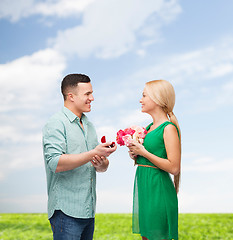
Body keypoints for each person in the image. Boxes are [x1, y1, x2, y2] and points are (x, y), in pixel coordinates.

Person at [42, 73, 117, 240]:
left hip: (88, 210)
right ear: (71, 97)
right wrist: (93, 153)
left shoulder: (89, 125)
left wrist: (102, 161)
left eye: (91, 93)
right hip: (65, 212)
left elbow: (101, 167)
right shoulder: (56, 123)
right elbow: (55, 163)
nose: (92, 98)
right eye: (87, 94)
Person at [128, 80, 181, 240]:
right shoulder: (148, 128)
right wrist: (136, 156)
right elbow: (150, 158)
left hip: (158, 190)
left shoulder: (168, 128)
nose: (140, 100)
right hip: (145, 189)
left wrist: (143, 151)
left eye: (144, 95)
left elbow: (174, 167)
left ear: (157, 99)